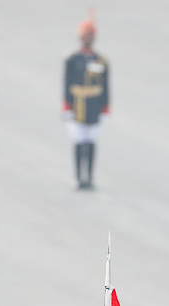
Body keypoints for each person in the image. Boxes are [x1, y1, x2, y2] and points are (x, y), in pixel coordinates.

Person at [64, 11, 109, 190]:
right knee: (78, 142)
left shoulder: (101, 60)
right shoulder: (72, 59)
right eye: (85, 36)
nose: (87, 39)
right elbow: (67, 84)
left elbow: (105, 87)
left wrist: (105, 108)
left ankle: (89, 177)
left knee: (91, 143)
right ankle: (78, 177)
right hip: (77, 106)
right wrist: (66, 107)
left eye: (90, 36)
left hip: (94, 107)